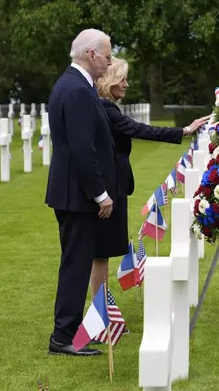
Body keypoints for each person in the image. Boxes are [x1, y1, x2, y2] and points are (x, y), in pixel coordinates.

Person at [88, 57, 209, 305]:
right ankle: (101, 315)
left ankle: (102, 311)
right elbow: (140, 130)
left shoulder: (103, 107)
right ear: (110, 81)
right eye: (122, 79)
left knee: (102, 253)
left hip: (115, 184)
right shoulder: (106, 109)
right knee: (100, 254)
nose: (126, 84)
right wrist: (184, 131)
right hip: (109, 187)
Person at [44, 28, 115, 356]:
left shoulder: (72, 85)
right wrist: (100, 194)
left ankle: (67, 332)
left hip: (70, 190)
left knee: (75, 261)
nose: (110, 61)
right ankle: (64, 336)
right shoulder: (76, 90)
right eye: (108, 55)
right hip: (77, 193)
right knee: (76, 264)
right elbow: (82, 148)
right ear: (91, 54)